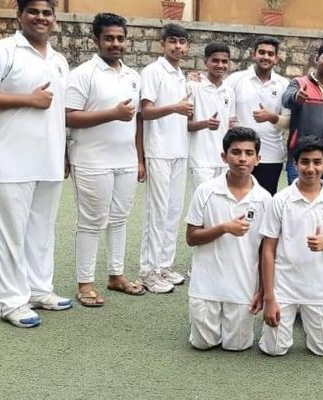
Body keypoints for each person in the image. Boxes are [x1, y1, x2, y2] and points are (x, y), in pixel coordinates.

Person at [0, 0, 72, 327]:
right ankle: (12, 302)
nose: (41, 18)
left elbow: (58, 114)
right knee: (11, 234)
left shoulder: (58, 59)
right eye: (33, 11)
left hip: (49, 159)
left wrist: (64, 153)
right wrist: (28, 100)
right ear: (20, 16)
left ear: (54, 19)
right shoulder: (2, 51)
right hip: (10, 160)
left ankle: (40, 290)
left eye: (47, 13)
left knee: (42, 231)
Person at [65, 12, 145, 306]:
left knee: (119, 219)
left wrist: (139, 159)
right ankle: (85, 283)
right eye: (109, 38)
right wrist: (112, 114)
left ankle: (116, 275)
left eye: (120, 38)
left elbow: (137, 121)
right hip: (91, 160)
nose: (115, 43)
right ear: (96, 40)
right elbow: (68, 117)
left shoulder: (133, 76)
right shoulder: (83, 74)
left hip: (125, 160)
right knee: (91, 222)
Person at [259, 136, 323, 356]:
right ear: (295, 164)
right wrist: (269, 297)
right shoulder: (280, 199)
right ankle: (289, 317)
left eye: (317, 162)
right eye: (305, 162)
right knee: (274, 349)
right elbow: (268, 250)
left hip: (318, 288)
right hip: (284, 286)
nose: (311, 168)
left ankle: (309, 319)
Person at [185, 127, 271, 351]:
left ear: (258, 159)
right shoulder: (205, 191)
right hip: (206, 286)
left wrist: (262, 290)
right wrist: (223, 228)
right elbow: (191, 237)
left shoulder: (265, 199)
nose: (242, 158)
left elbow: (266, 250)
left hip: (242, 288)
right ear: (224, 157)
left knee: (237, 346)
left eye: (249, 153)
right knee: (203, 344)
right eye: (236, 152)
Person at [137, 23, 193, 293]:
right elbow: (145, 112)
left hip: (180, 150)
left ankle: (164, 265)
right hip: (158, 150)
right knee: (156, 213)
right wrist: (175, 107)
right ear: (162, 44)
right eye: (173, 41)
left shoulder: (181, 76)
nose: (177, 47)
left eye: (182, 42)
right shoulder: (153, 71)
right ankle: (148, 271)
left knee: (173, 212)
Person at [225, 36, 290, 195]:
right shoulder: (235, 80)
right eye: (262, 52)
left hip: (271, 155)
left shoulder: (284, 84)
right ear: (253, 54)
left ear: (276, 58)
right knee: (235, 197)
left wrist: (271, 117)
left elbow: (288, 122)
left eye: (270, 54)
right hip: (240, 154)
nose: (266, 57)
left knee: (266, 200)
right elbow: (219, 99)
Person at [282, 41, 323, 189]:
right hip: (300, 158)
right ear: (316, 59)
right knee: (297, 198)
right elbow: (286, 100)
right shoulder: (299, 83)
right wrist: (296, 97)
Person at [187, 42, 235, 192]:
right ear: (205, 62)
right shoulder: (193, 86)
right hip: (200, 161)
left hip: (223, 160)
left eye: (224, 61)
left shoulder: (229, 91)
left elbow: (230, 125)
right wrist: (206, 124)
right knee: (204, 201)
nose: (220, 65)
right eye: (215, 60)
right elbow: (185, 125)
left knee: (221, 201)